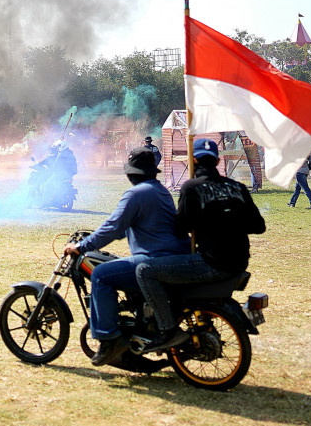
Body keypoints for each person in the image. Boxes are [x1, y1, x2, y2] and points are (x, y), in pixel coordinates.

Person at [135, 138, 266, 352]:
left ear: (193, 159)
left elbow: (180, 228)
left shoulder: (191, 188)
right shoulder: (237, 187)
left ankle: (168, 331)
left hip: (211, 263)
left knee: (145, 271)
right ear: (216, 160)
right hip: (239, 262)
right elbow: (259, 226)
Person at [62, 147, 190, 366]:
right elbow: (125, 227)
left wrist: (82, 246)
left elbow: (113, 227)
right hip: (172, 257)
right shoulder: (159, 190)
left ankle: (109, 339)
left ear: (132, 173)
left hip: (154, 259)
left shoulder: (136, 193)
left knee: (101, 275)